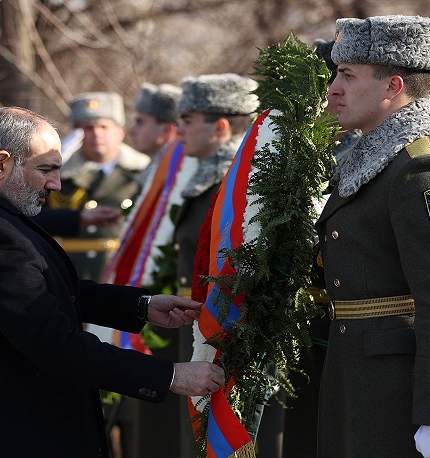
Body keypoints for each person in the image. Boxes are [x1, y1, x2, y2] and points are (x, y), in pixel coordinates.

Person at [0, 106, 226, 457]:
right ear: (0, 164)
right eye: (46, 169)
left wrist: (140, 306)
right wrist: (171, 376)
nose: (56, 183)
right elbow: (52, 342)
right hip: (10, 436)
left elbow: (41, 290)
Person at [315, 15, 430, 457]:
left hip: (405, 395)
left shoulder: (423, 167)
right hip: (361, 383)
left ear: (392, 87)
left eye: (347, 75)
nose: (333, 89)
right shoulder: (372, 160)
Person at [170, 73, 266, 457]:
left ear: (220, 127)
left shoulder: (236, 187)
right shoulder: (205, 179)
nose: (178, 131)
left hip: (224, 334)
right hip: (199, 324)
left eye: (188, 121)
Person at [99, 82, 196, 457]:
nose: (132, 130)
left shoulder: (179, 169)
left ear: (166, 129)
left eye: (140, 121)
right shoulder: (158, 167)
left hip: (167, 310)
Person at [280, 38, 361, 458]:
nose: (322, 96)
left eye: (328, 82)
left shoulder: (363, 155)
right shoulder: (302, 149)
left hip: (343, 324)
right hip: (303, 327)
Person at [46, 92, 150, 281]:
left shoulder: (144, 170)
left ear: (119, 132)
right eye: (88, 128)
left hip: (122, 272)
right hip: (70, 272)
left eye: (104, 126)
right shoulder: (57, 173)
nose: (97, 134)